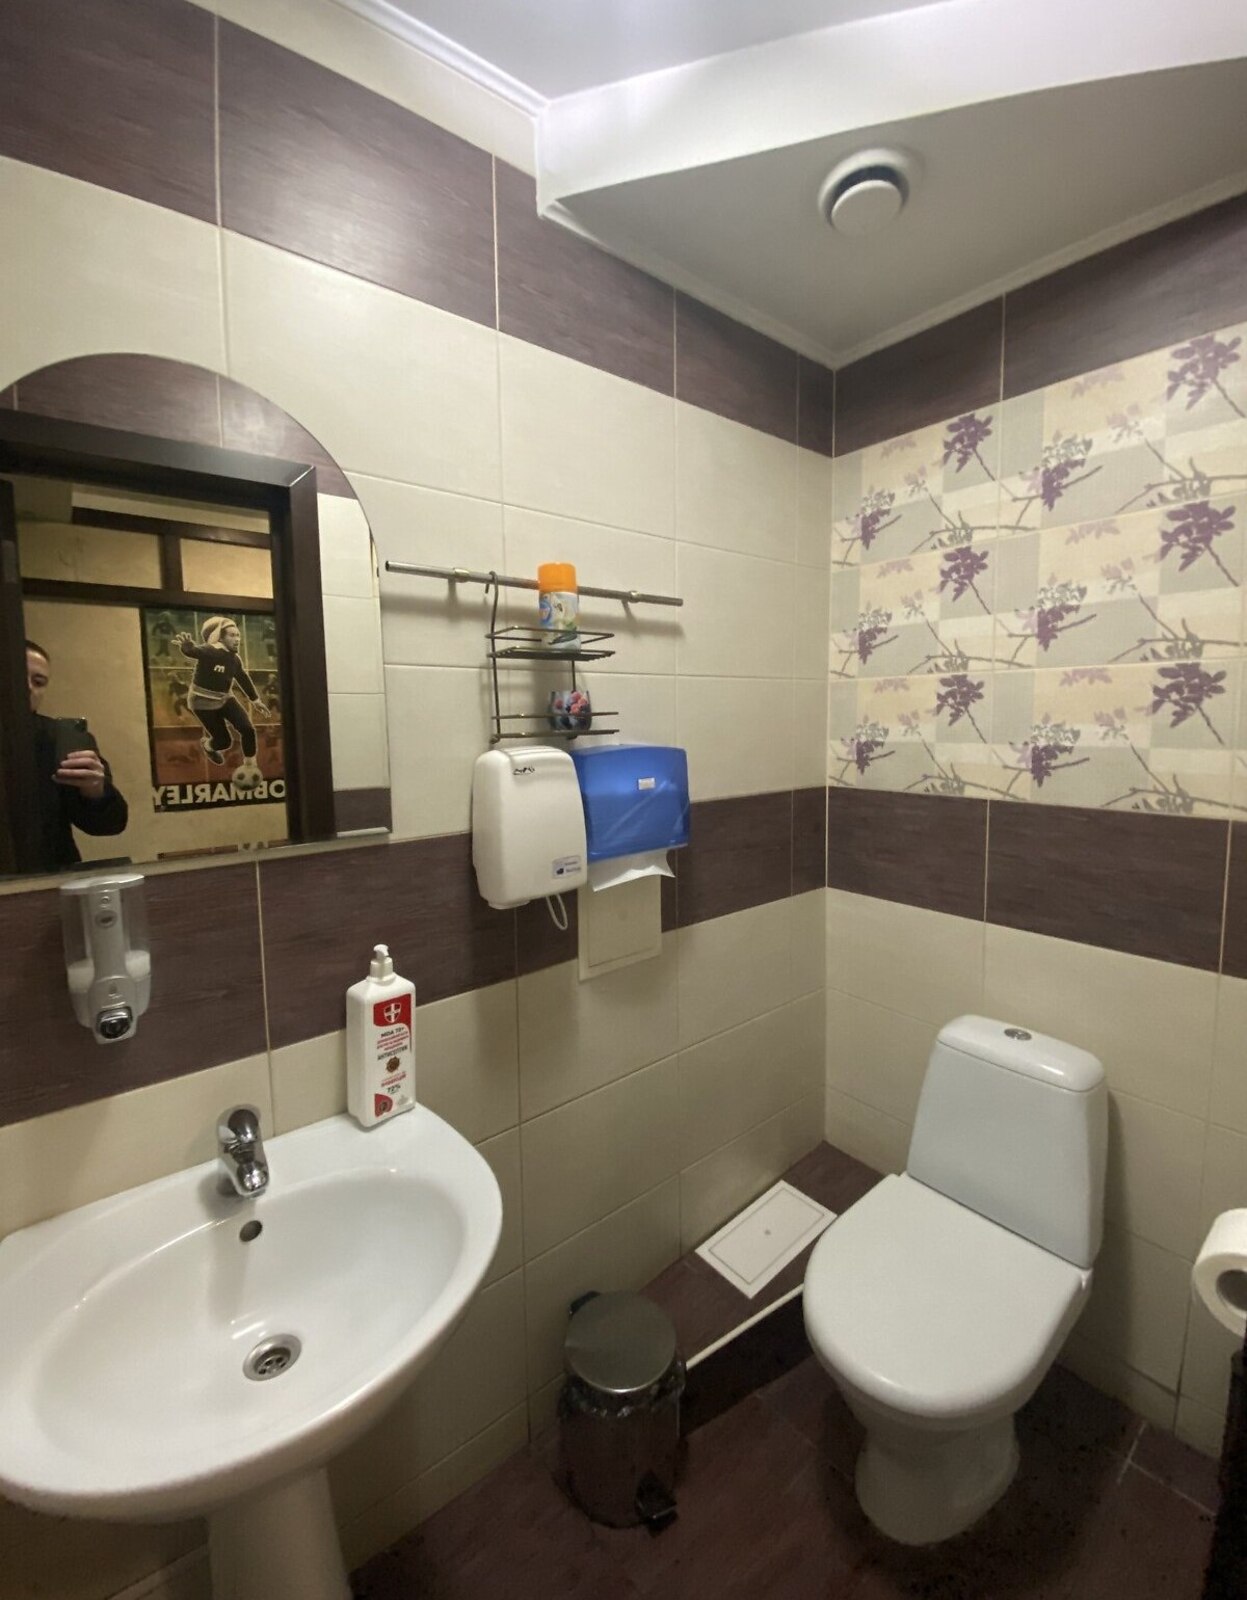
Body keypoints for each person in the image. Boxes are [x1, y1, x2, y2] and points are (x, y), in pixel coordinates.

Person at [26, 639, 129, 871]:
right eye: (17, 676)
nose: (29, 687)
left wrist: (95, 791)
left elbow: (109, 825)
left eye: (38, 682)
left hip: (50, 872)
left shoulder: (63, 738)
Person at [176, 616, 268, 788]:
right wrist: (186, 646)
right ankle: (208, 745)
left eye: (238, 635)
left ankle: (250, 766)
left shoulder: (234, 659)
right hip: (202, 702)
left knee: (248, 729)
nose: (237, 639)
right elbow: (194, 652)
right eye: (232, 635)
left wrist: (255, 700)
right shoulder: (211, 651)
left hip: (225, 698)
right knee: (224, 742)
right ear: (220, 637)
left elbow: (242, 677)